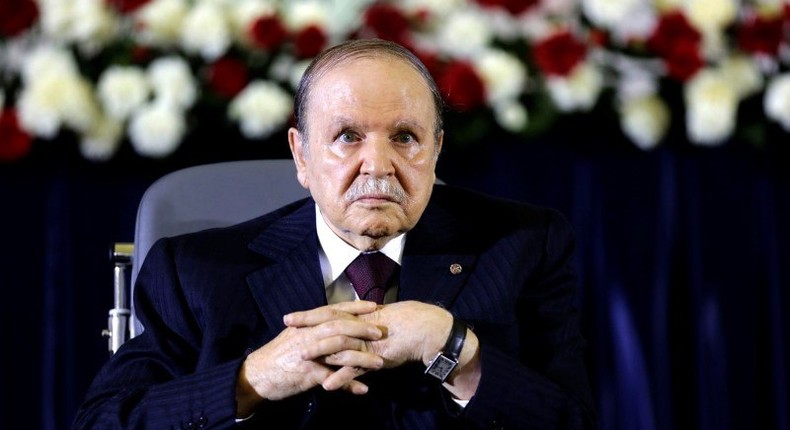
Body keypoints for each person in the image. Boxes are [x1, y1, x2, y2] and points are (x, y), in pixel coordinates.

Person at [73, 38, 596, 429]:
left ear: (436, 149)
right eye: (347, 136)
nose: (379, 164)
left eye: (405, 137)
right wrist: (255, 378)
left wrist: (453, 347)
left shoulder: (524, 245)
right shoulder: (198, 271)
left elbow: (572, 420)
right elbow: (104, 422)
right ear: (302, 155)